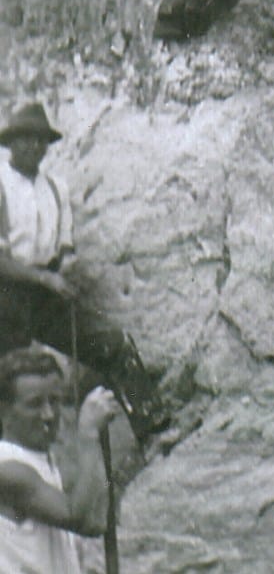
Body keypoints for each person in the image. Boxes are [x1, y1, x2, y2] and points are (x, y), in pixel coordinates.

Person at [0, 104, 161, 444]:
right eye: (26, 139)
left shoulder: (56, 187)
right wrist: (45, 279)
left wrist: (66, 261)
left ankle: (153, 429)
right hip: (6, 296)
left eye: (41, 140)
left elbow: (65, 244)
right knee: (8, 381)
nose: (34, 147)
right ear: (11, 143)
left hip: (47, 294)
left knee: (112, 343)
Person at [0, 346, 126, 571]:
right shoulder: (7, 468)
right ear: (4, 410)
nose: (48, 414)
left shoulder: (43, 460)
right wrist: (88, 434)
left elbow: (96, 523)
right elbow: (77, 517)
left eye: (55, 401)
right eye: (35, 404)